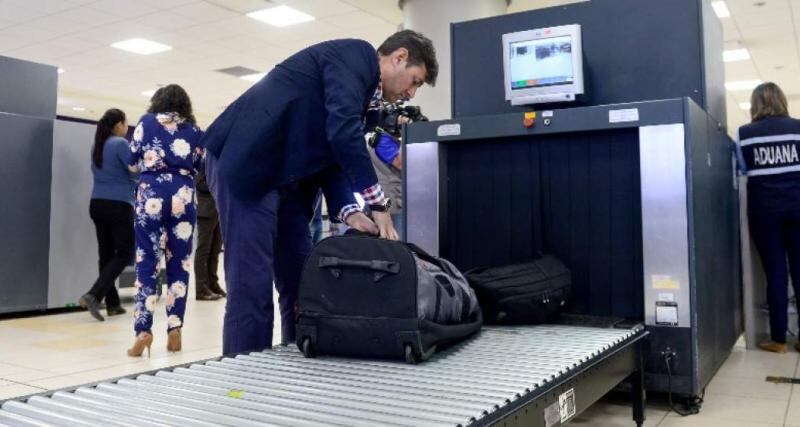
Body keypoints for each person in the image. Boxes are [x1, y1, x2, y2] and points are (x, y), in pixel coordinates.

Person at [202, 30, 438, 355]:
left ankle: (301, 358)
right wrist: (378, 205)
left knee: (303, 284)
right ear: (399, 57)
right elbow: (342, 134)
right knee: (252, 286)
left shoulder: (366, 101)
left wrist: (349, 211)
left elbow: (333, 156)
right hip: (248, 163)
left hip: (289, 180)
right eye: (415, 81)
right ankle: (245, 373)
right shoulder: (356, 57)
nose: (411, 93)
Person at [127, 85, 204, 357]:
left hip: (151, 195)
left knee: (147, 262)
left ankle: (143, 330)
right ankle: (175, 328)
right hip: (183, 195)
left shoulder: (146, 122)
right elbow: (201, 166)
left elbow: (131, 162)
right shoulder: (195, 131)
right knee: (179, 264)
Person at [738, 82, 800, 353]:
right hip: (798, 207)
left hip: (765, 213)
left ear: (755, 105)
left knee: (775, 273)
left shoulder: (745, 134)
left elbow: (741, 170)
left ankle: (778, 340)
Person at [79, 108, 136, 321]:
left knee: (106, 255)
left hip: (97, 203)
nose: (127, 127)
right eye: (126, 123)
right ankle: (94, 295)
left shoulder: (98, 145)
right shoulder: (120, 144)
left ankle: (113, 304)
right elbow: (135, 169)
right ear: (119, 124)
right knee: (125, 253)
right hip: (118, 204)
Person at [194, 169, 224, 300]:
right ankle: (201, 288)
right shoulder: (204, 161)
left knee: (215, 250)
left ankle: (213, 284)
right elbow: (200, 184)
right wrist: (220, 185)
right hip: (206, 210)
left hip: (219, 211)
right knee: (203, 250)